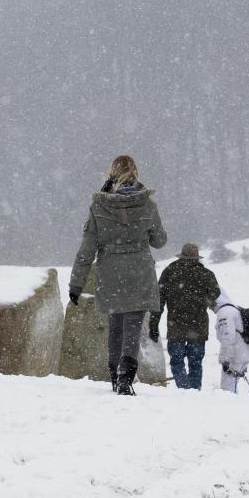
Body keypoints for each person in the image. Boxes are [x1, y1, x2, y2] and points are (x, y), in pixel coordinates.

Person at [68, 155, 168, 396]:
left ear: (111, 173)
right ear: (135, 173)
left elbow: (87, 249)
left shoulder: (99, 206)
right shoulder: (147, 205)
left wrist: (76, 284)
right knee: (133, 325)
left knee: (115, 326)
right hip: (139, 271)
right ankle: (126, 376)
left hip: (110, 272)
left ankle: (115, 376)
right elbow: (159, 241)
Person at [157, 243, 220, 389]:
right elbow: (215, 292)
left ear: (181, 256)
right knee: (195, 362)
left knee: (176, 361)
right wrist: (203, 301)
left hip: (175, 325)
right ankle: (195, 390)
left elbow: (159, 298)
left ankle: (183, 389)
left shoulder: (170, 271)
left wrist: (154, 323)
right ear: (197, 258)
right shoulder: (206, 274)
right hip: (198, 325)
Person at [214, 287, 249, 394]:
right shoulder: (234, 309)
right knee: (233, 387)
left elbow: (227, 338)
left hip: (235, 356)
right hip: (245, 352)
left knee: (227, 389)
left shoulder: (224, 313)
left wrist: (225, 361)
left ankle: (231, 404)